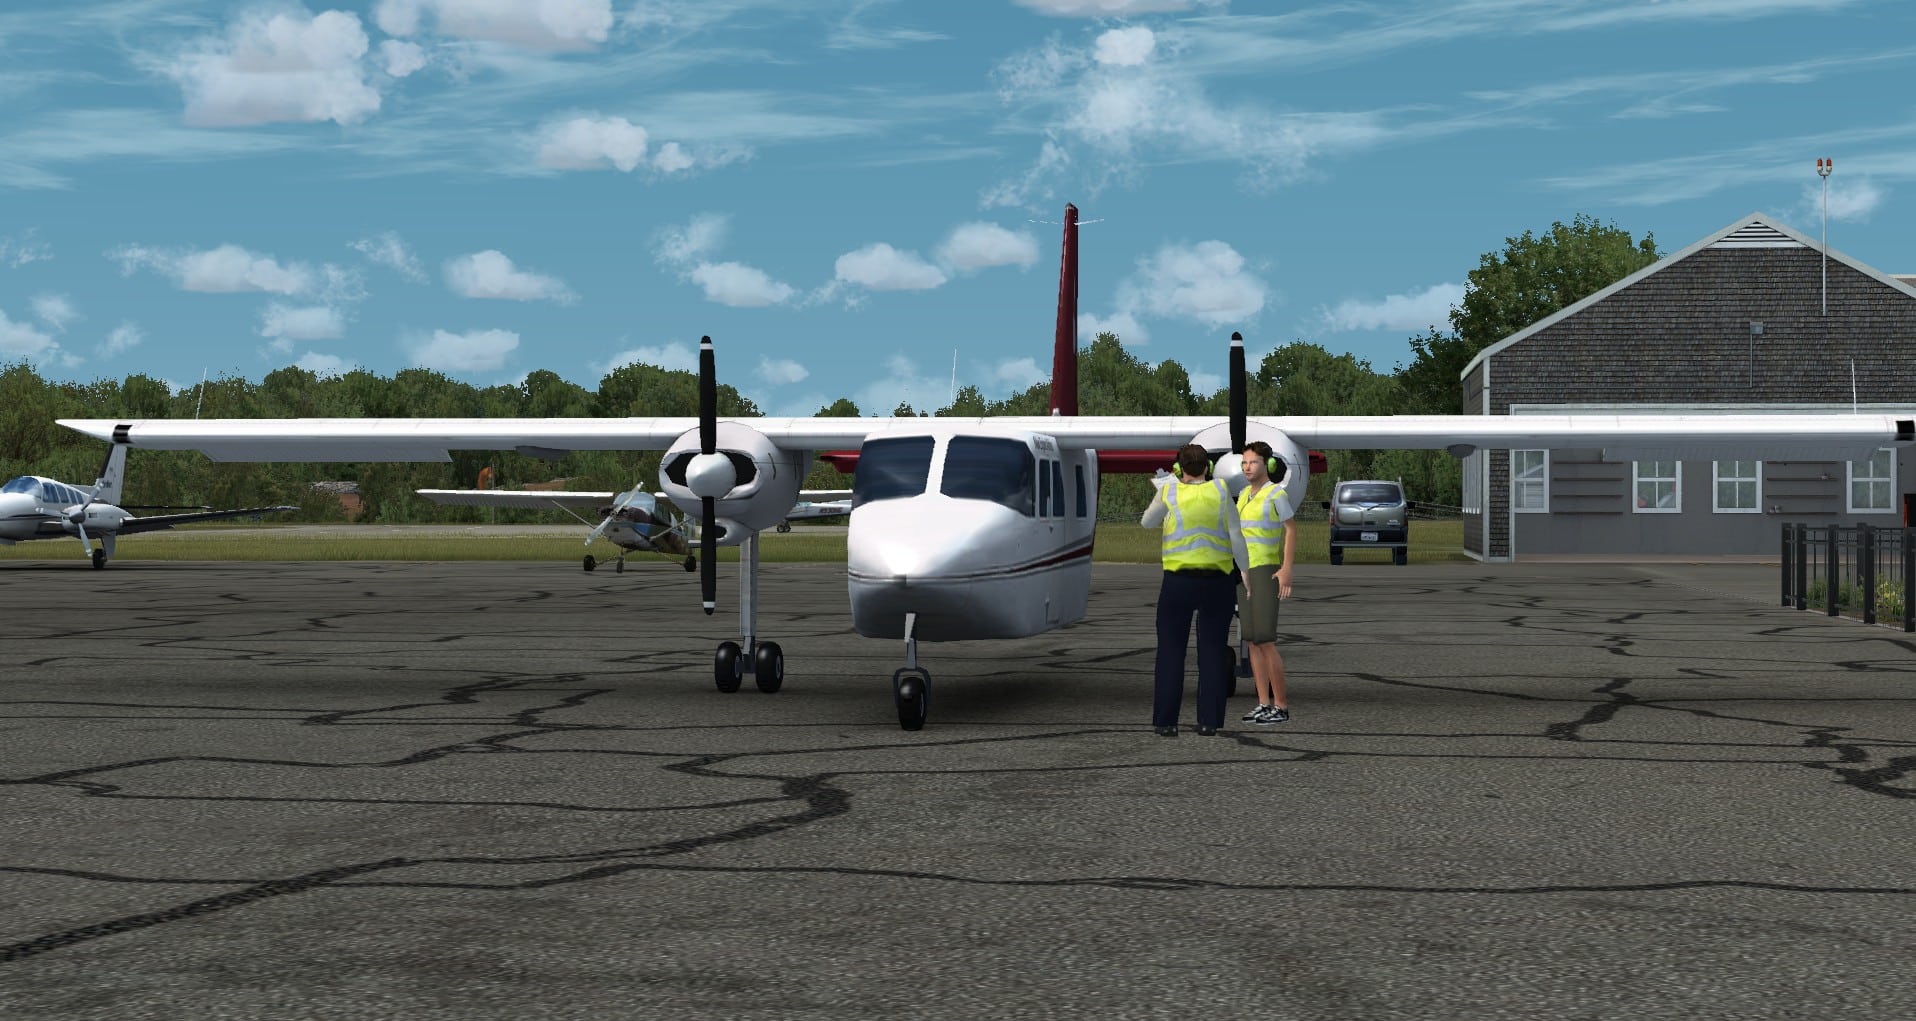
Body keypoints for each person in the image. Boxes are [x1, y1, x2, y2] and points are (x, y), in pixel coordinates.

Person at [1141, 444, 1251, 737]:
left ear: (1179, 469)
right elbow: (1236, 534)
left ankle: (1166, 722)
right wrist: (1245, 571)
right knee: (1213, 651)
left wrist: (1162, 489)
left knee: (1170, 651)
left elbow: (1147, 522)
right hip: (1218, 582)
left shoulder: (1169, 491)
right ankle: (1209, 722)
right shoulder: (1221, 491)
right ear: (1208, 468)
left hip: (1178, 582)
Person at [1234, 441, 1296, 725]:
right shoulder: (1243, 495)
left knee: (1266, 640)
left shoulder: (1275, 494)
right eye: (1244, 463)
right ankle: (1263, 703)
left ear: (1268, 465)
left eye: (1253, 462)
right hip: (1244, 571)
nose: (1247, 467)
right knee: (1251, 641)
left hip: (1265, 569)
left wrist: (1286, 569)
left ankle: (1280, 706)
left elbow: (1291, 529)